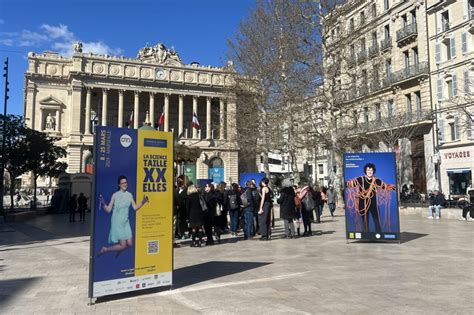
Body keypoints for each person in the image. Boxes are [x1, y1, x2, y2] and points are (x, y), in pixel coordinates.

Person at [97, 175, 148, 257]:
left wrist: (143, 202)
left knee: (130, 244)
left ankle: (119, 249)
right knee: (123, 245)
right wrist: (103, 204)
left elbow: (135, 208)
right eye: (123, 183)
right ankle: (105, 249)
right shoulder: (115, 195)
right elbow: (108, 210)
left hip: (126, 223)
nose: (125, 184)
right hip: (117, 223)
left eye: (126, 182)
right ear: (119, 185)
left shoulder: (129, 195)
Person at [346, 163, 396, 233]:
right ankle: (366, 235)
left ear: (373, 171)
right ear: (365, 171)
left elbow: (385, 187)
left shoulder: (376, 180)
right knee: (365, 221)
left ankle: (378, 235)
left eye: (371, 170)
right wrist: (344, 183)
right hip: (363, 204)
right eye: (368, 170)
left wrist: (394, 187)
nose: (370, 171)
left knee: (377, 220)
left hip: (374, 204)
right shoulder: (360, 179)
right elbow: (350, 184)